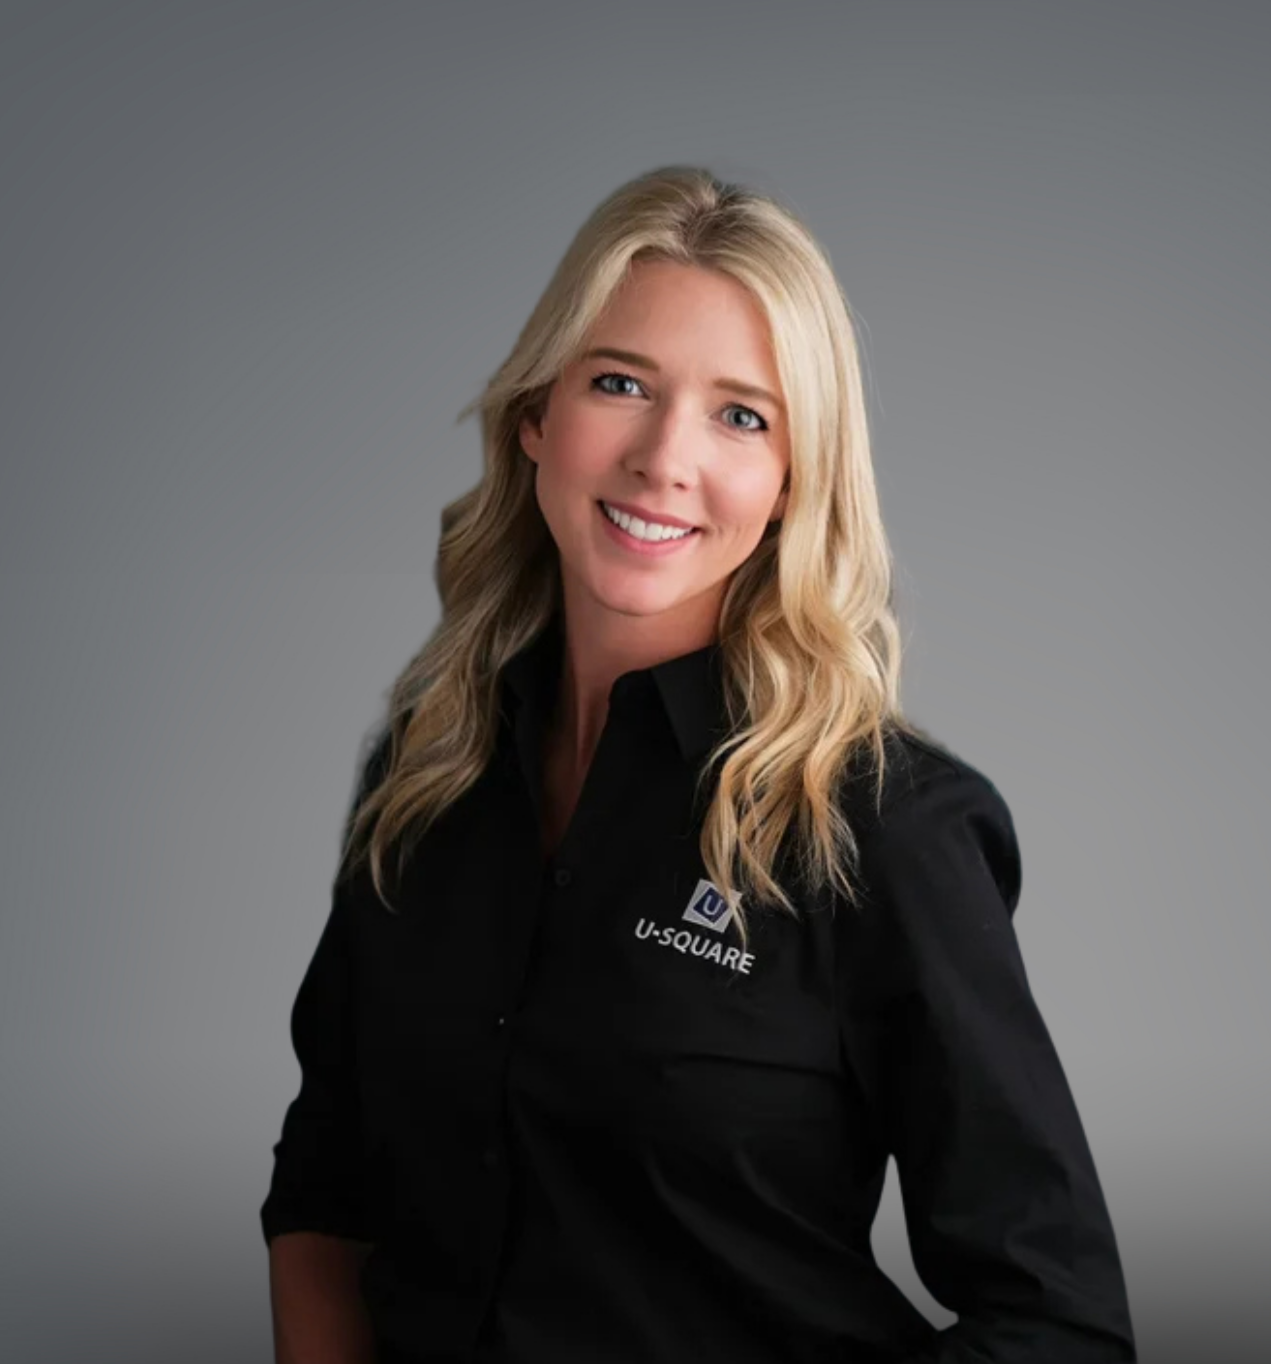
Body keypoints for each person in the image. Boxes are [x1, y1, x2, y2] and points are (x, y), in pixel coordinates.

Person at [260, 164, 1137, 1364]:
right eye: (619, 383)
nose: (665, 457)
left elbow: (1059, 1326)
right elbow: (326, 1191)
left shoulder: (882, 826)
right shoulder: (429, 774)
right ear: (536, 419)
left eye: (742, 415)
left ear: (791, 483)